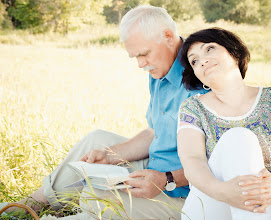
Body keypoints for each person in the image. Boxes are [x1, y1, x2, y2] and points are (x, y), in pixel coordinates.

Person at [0, 5, 208, 220]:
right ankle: (32, 204)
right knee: (96, 141)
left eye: (144, 54)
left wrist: (165, 179)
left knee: (99, 198)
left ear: (168, 36)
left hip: (184, 193)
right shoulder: (161, 68)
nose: (140, 64)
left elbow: (217, 164)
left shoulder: (203, 74)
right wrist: (110, 156)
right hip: (154, 168)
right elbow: (154, 132)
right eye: (135, 57)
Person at [177, 27, 271, 220]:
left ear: (234, 53)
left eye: (210, 49)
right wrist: (223, 191)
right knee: (238, 138)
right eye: (194, 61)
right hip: (215, 203)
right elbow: (192, 161)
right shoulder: (192, 108)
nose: (203, 60)